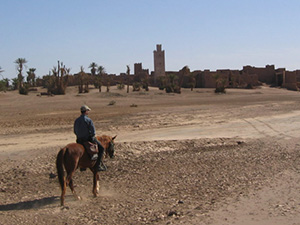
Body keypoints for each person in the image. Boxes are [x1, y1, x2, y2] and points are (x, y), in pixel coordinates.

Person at [74, 105, 107, 171]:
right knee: (101, 148)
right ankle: (98, 166)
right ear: (86, 111)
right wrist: (91, 136)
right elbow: (93, 131)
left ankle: (82, 167)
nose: (88, 112)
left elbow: (75, 131)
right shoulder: (88, 120)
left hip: (79, 139)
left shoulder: (77, 120)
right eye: (88, 111)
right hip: (88, 138)